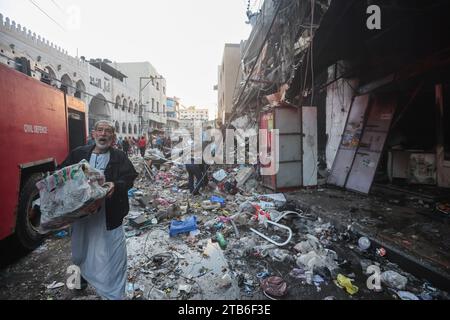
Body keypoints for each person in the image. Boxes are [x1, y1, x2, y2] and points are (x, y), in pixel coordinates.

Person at [59, 120, 138, 300]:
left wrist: (115, 186)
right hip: (83, 217)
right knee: (79, 252)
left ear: (113, 136)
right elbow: (62, 173)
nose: (103, 134)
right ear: (93, 134)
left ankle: (114, 294)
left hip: (109, 216)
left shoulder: (119, 156)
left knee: (113, 255)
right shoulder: (78, 153)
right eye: (100, 130)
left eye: (108, 131)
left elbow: (129, 178)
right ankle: (77, 284)